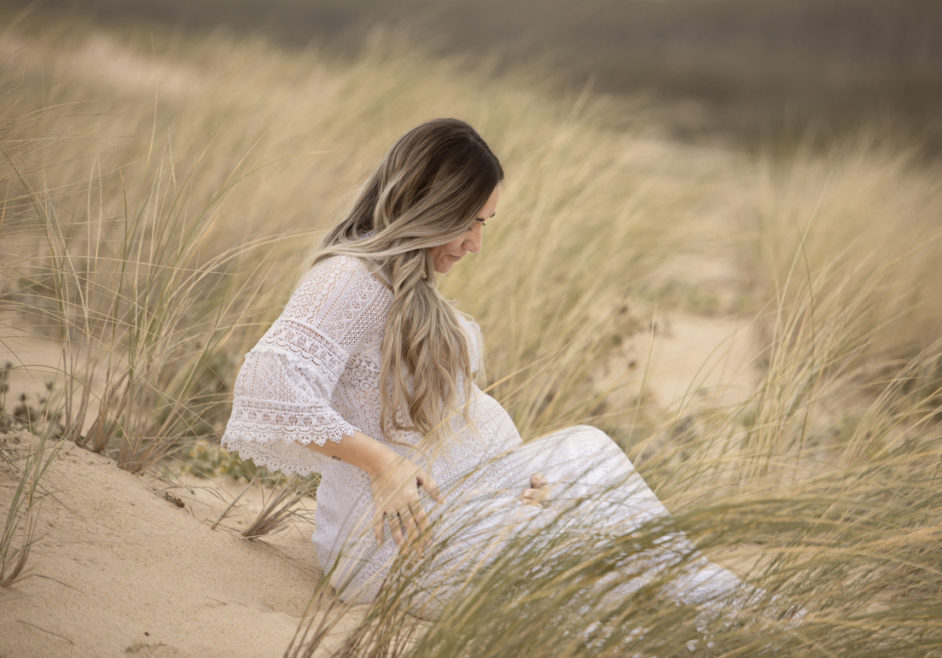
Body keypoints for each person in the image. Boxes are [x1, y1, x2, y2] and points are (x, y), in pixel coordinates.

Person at [221, 118, 770, 629]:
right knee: (604, 565)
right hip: (396, 538)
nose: (476, 243)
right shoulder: (349, 277)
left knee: (586, 452)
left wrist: (506, 485)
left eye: (485, 223)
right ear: (426, 206)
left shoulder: (403, 286)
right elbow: (272, 383)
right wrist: (384, 465)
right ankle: (737, 625)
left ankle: (740, 616)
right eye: (469, 222)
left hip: (465, 506)